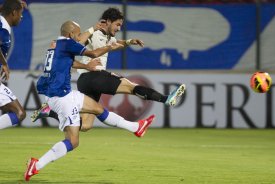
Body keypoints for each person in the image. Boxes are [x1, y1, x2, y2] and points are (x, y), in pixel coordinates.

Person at [24, 20, 155, 181]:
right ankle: (36, 166)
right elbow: (93, 53)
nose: (80, 37)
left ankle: (136, 127)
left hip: (61, 94)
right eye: (78, 34)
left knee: (98, 109)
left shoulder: (56, 44)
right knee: (72, 141)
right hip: (63, 98)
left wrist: (87, 66)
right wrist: (109, 47)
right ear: (71, 34)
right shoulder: (67, 43)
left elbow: (69, 62)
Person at [31, 7, 185, 131]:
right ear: (108, 21)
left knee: (85, 125)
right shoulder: (95, 33)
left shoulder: (108, 37)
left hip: (86, 82)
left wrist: (130, 41)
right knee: (130, 86)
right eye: (117, 24)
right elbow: (79, 40)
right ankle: (165, 99)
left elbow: (117, 42)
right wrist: (91, 29)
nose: (119, 28)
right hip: (94, 77)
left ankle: (49, 112)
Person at [0, 0, 27, 130]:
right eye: (20, 13)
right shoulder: (3, 27)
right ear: (13, 13)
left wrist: (13, 4)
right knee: (19, 113)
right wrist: (4, 64)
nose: (21, 17)